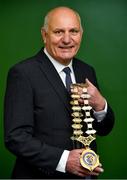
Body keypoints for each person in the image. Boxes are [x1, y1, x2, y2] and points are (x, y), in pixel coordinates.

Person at [4, 6, 115, 179]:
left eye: (73, 31)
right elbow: (15, 137)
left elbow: (103, 129)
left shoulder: (87, 71)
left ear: (81, 34)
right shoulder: (23, 73)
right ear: (44, 35)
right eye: (58, 32)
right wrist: (64, 160)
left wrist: (101, 105)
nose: (67, 39)